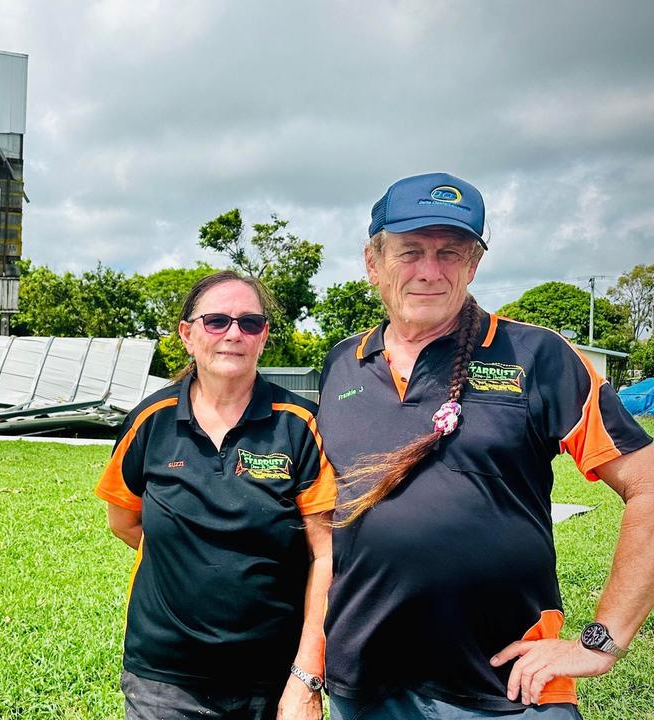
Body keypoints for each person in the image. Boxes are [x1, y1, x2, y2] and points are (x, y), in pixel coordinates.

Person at [316, 172, 654, 719]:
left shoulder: (537, 357)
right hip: (365, 687)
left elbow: (648, 484)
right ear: (373, 262)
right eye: (410, 252)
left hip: (505, 689)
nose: (430, 271)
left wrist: (602, 640)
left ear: (473, 266)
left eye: (451, 253)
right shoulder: (341, 365)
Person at [95, 269, 336, 720]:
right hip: (164, 677)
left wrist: (306, 675)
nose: (233, 334)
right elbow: (124, 521)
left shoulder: (301, 424)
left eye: (249, 323)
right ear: (187, 334)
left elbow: (326, 554)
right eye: (216, 321)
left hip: (273, 677)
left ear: (263, 337)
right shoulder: (151, 420)